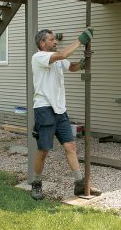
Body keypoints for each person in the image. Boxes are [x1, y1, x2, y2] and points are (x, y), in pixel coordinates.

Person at [31, 28, 101, 200]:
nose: (55, 42)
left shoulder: (57, 58)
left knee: (71, 147)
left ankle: (79, 185)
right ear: (42, 43)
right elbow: (62, 55)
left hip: (60, 109)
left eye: (55, 39)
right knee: (44, 150)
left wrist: (82, 63)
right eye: (52, 39)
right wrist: (80, 40)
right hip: (44, 108)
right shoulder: (39, 57)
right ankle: (36, 184)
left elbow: (71, 67)